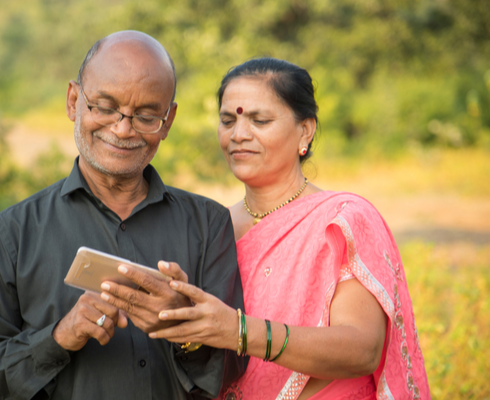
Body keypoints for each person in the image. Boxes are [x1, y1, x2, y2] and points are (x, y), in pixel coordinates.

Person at [0, 31, 246, 400]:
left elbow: (235, 369)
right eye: (105, 107)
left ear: (168, 120)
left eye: (146, 116)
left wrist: (184, 328)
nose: (123, 129)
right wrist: (60, 336)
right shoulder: (11, 234)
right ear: (73, 100)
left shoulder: (208, 225)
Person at [131, 58, 430, 400]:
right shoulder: (212, 227)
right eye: (228, 120)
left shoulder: (342, 219)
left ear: (305, 130)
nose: (238, 134)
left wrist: (240, 331)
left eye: (260, 120)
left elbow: (363, 349)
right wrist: (180, 319)